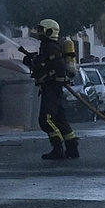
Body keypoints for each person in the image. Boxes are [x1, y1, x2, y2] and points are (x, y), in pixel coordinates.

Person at [27, 19, 79, 161]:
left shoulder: (50, 47)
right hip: (53, 87)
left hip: (51, 88)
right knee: (59, 118)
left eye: (41, 30)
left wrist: (55, 84)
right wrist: (33, 60)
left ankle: (58, 148)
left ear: (49, 31)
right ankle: (72, 147)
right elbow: (46, 65)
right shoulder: (48, 46)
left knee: (46, 119)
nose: (39, 33)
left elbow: (57, 67)